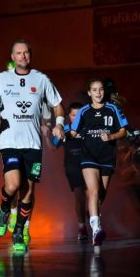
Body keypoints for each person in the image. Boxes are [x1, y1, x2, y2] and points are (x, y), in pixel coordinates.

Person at [0, 39, 65, 252]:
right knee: (12, 185)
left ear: (31, 55)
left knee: (28, 190)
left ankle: (19, 230)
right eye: (18, 53)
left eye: (26, 53)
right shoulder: (2, 79)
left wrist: (59, 125)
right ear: (12, 57)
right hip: (10, 141)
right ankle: (3, 209)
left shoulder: (41, 79)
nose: (23, 56)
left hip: (33, 144)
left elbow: (57, 105)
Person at [70, 77, 128, 246]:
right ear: (89, 93)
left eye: (101, 89)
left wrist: (111, 136)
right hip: (88, 156)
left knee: (101, 194)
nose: (98, 93)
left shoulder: (112, 109)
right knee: (93, 191)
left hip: (107, 156)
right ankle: (97, 229)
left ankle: (93, 212)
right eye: (94, 90)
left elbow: (123, 131)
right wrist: (60, 133)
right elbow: (73, 132)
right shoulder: (84, 111)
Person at [50, 102, 89, 241]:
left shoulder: (88, 129)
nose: (76, 117)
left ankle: (92, 215)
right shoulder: (65, 130)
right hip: (72, 167)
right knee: (79, 196)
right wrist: (45, 135)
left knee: (93, 194)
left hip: (89, 165)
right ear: (68, 116)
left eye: (79, 115)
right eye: (73, 115)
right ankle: (82, 228)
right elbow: (53, 147)